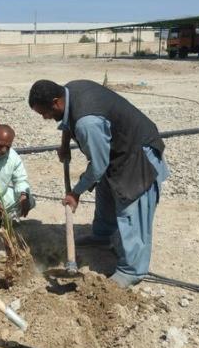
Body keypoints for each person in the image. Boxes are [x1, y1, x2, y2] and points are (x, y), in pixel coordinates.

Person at [28, 79, 169, 288]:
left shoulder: (87, 122)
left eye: (44, 113)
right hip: (116, 150)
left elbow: (98, 166)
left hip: (137, 154)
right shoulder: (70, 91)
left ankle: (131, 270)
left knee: (130, 208)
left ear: (56, 102)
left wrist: (75, 193)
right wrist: (65, 144)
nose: (45, 118)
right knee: (105, 192)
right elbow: (68, 121)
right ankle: (103, 236)